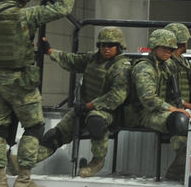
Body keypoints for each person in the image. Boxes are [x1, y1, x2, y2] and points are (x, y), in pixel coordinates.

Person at [0, 0, 80, 187]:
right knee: (34, 126)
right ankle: (24, 179)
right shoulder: (26, 15)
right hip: (19, 81)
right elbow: (62, 8)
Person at [35, 27, 132, 177]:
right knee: (55, 134)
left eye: (110, 45)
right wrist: (50, 51)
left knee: (95, 121)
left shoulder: (122, 67)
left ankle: (97, 161)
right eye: (102, 45)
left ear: (119, 46)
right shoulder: (93, 59)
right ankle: (26, 161)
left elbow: (116, 96)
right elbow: (72, 60)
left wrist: (88, 106)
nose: (105, 48)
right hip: (85, 108)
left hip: (109, 112)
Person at [130, 29, 191, 181]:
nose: (168, 52)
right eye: (165, 48)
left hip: (161, 110)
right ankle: (177, 170)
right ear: (154, 47)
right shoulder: (144, 68)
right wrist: (174, 109)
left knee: (190, 122)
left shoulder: (167, 65)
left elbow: (187, 74)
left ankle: (180, 167)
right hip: (143, 113)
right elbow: (148, 99)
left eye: (171, 49)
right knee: (179, 120)